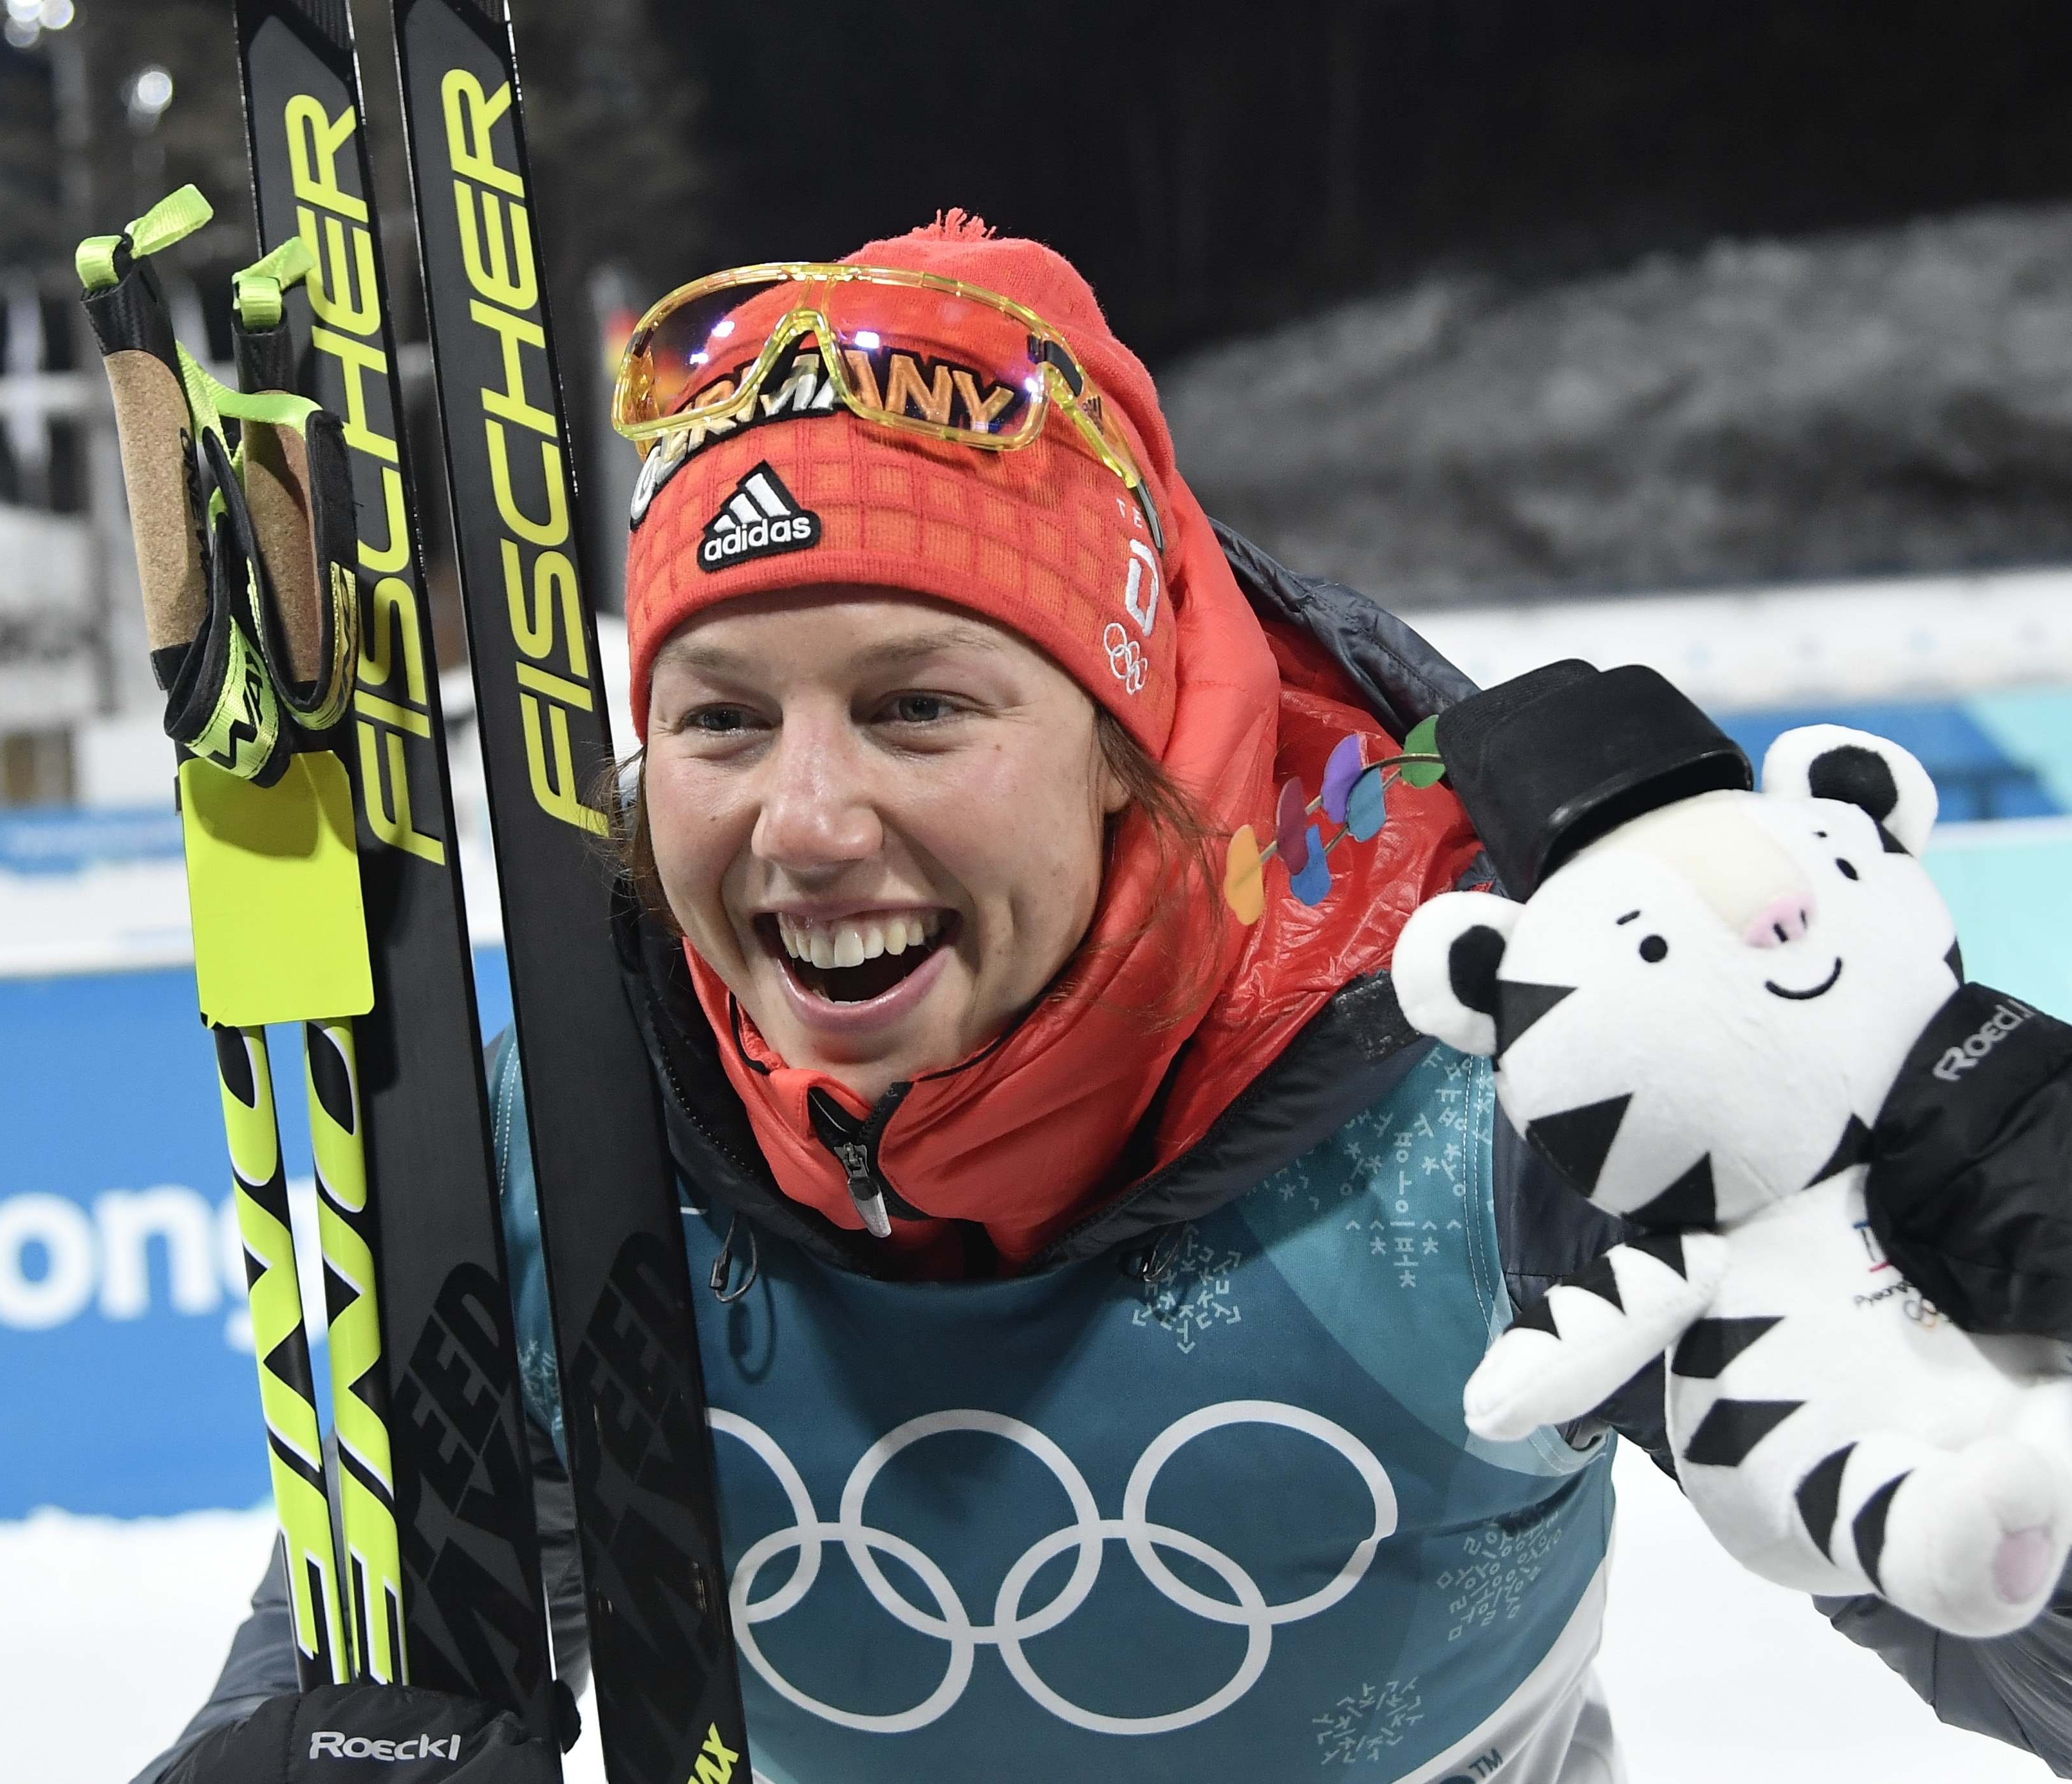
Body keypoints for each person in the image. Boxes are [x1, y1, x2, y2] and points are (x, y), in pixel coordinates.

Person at [138, 214, 2072, 1783]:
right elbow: (370, 1658)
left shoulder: (1495, 1084)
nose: (805, 822)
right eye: (719, 720)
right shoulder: (575, 1134)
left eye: (919, 706)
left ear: (1130, 754)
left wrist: (2027, 1337)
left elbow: (1996, 1601)